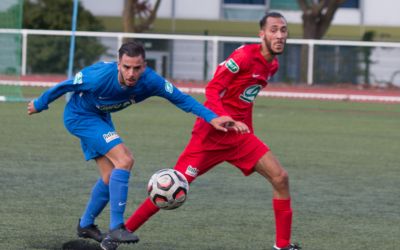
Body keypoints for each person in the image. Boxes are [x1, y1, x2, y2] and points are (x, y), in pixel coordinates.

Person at [27, 41, 237, 249]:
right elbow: (67, 85)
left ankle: (85, 225)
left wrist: (211, 117)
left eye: (137, 68)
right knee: (125, 159)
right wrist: (39, 103)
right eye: (126, 67)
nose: (131, 73)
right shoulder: (98, 76)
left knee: (110, 177)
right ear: (118, 64)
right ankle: (117, 226)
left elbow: (181, 99)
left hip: (100, 117)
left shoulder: (151, 81)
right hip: (80, 116)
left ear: (144, 66)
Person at [119, 12, 301, 250]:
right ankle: (119, 235)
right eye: (274, 30)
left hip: (239, 138)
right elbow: (213, 89)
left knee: (281, 178)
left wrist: (245, 130)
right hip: (210, 135)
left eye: (283, 30)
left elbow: (244, 100)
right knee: (170, 186)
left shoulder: (272, 65)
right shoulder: (244, 56)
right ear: (262, 34)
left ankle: (282, 246)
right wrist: (222, 118)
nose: (279, 35)